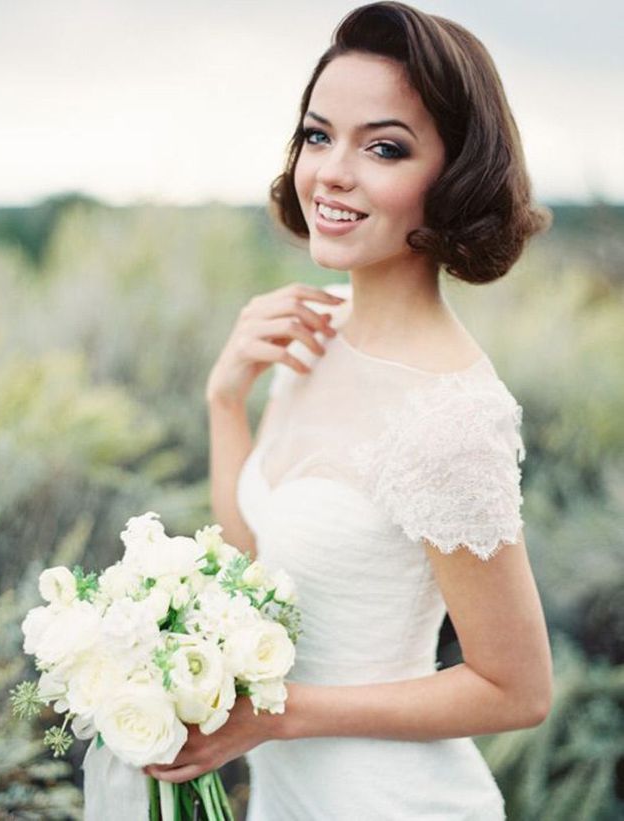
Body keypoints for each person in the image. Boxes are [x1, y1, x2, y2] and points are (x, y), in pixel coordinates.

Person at [145, 3, 554, 818]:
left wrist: (280, 713)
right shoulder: (318, 327)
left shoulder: (449, 418)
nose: (331, 171)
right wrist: (226, 399)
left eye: (385, 147)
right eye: (318, 134)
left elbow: (517, 689)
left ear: (455, 175)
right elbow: (259, 558)